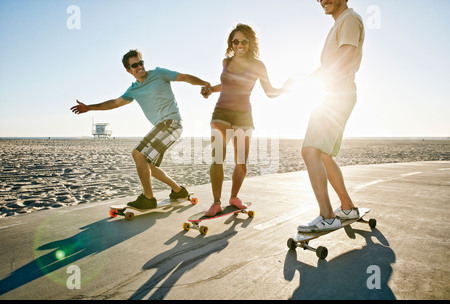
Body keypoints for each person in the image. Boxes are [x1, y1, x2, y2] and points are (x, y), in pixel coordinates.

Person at [70, 49, 211, 210]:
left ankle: (148, 198)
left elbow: (184, 77)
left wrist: (204, 83)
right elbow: (114, 103)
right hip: (163, 127)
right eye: (135, 65)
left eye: (141, 63)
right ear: (129, 70)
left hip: (172, 123)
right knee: (148, 165)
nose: (140, 67)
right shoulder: (133, 90)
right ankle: (179, 191)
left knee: (137, 154)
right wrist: (89, 107)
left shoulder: (159, 73)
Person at [201, 24, 293, 216]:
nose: (240, 44)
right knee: (217, 158)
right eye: (236, 41)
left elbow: (268, 92)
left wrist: (284, 88)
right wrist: (211, 89)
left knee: (241, 162)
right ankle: (216, 202)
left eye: (244, 41)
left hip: (243, 115)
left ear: (250, 43)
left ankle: (234, 197)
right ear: (231, 44)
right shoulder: (226, 62)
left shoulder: (258, 65)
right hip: (221, 113)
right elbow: (227, 84)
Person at [297, 0, 365, 232]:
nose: (323, 0)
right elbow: (330, 64)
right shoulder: (341, 23)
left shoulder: (348, 19)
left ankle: (327, 216)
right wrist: (303, 82)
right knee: (324, 155)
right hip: (336, 93)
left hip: (336, 94)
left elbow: (345, 57)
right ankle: (347, 208)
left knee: (310, 150)